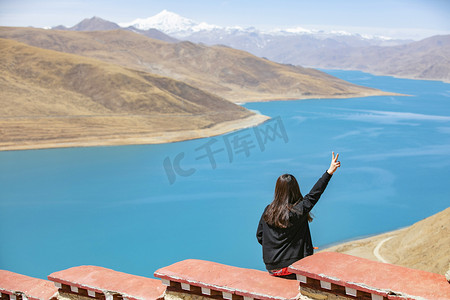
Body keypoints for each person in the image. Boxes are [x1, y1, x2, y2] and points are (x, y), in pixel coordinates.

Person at [256, 152, 341, 279]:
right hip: (292, 268)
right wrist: (329, 172)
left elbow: (260, 236)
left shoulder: (268, 211)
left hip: (272, 268)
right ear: (295, 189)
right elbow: (314, 194)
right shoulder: (298, 211)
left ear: (277, 190)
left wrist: (276, 251)